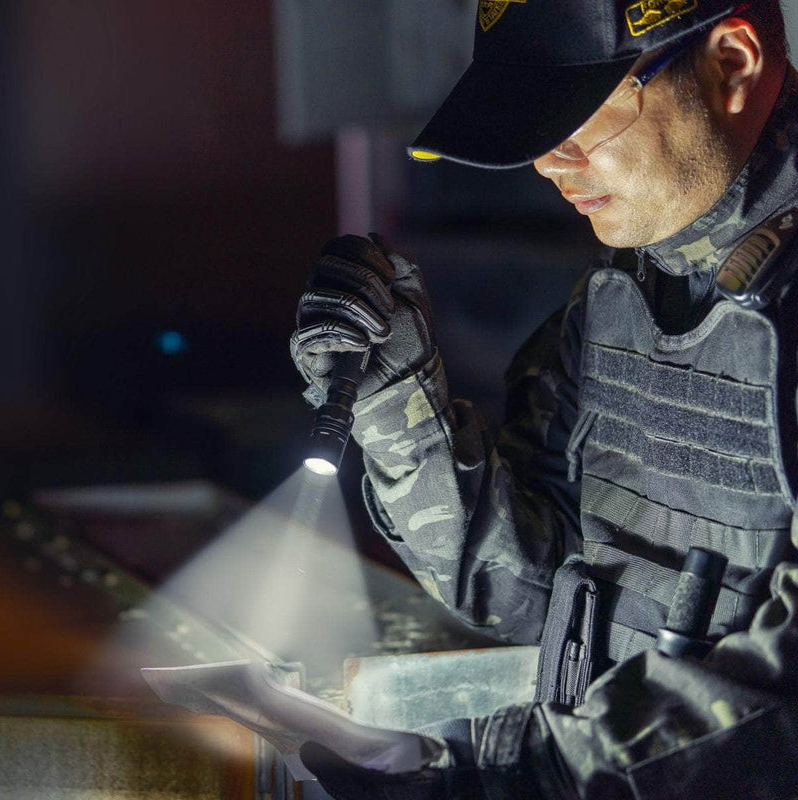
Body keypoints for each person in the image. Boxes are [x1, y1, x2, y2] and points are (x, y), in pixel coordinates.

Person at [291, 0, 798, 797]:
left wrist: (517, 773)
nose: (548, 163)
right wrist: (393, 396)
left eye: (577, 116)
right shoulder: (635, 283)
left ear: (732, 63)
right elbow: (527, 588)